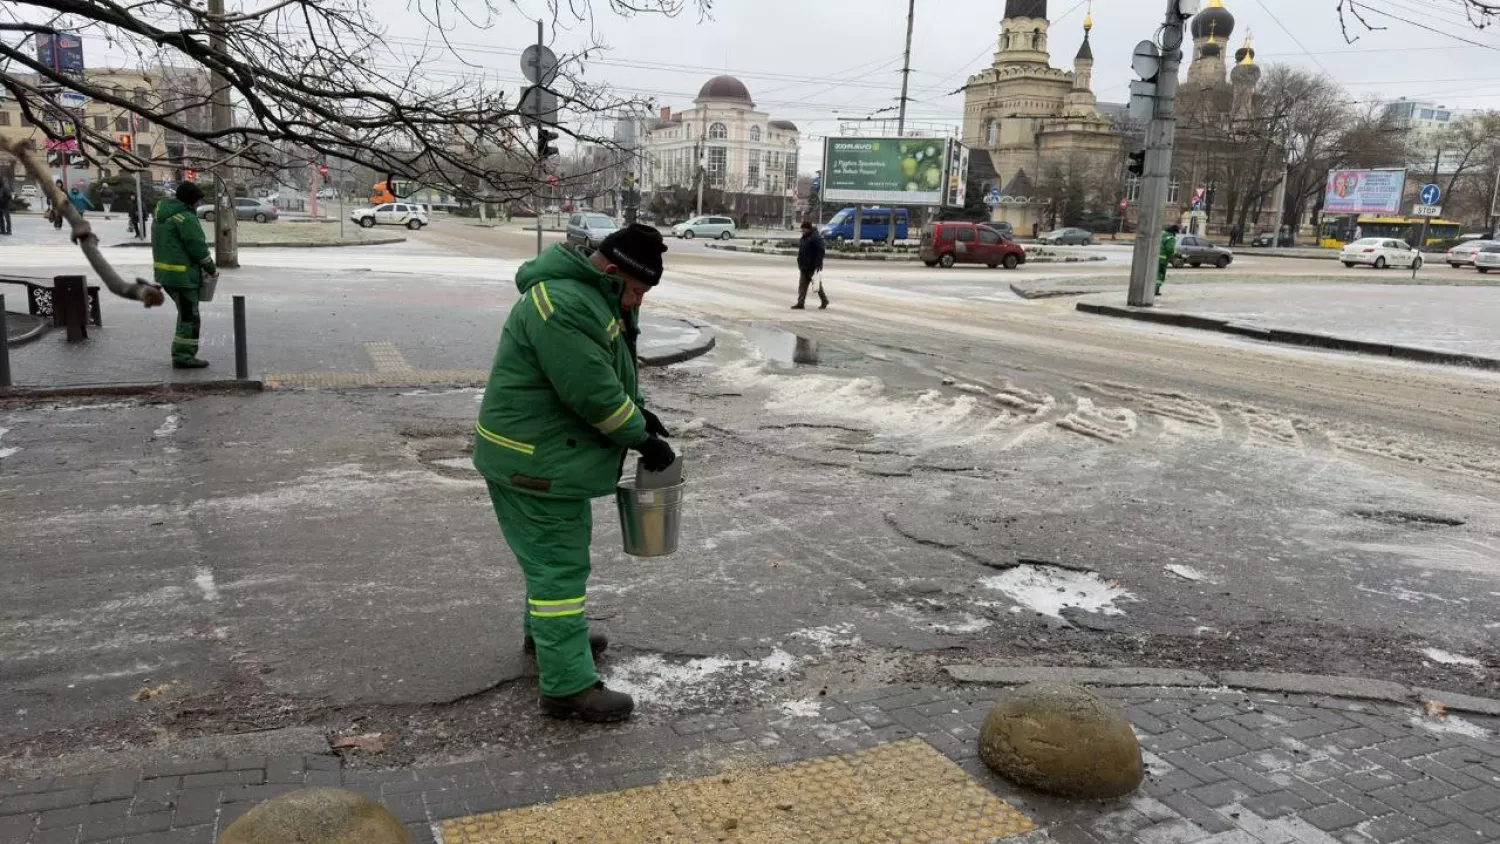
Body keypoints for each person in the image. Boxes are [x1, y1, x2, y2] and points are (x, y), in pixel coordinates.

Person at [473, 224, 675, 723]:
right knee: (559, 568)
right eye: (637, 291)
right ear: (611, 272)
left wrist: (640, 413)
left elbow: (608, 374)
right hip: (535, 463)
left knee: (549, 560)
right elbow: (593, 395)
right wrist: (641, 437)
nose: (637, 303)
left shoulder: (586, 299)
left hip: (541, 456)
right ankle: (567, 686)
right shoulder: (565, 305)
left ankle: (548, 639)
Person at [152, 182, 218, 369]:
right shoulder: (186, 218)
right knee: (189, 317)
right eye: (198, 201)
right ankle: (183, 356)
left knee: (185, 314)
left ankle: (182, 354)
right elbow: (198, 247)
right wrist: (211, 269)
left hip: (166, 275)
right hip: (183, 276)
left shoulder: (162, 216)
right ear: (192, 200)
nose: (198, 204)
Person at [792, 221, 827, 310]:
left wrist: (818, 264)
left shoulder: (815, 237)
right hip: (804, 266)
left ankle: (824, 301)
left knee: (816, 285)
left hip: (812, 266)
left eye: (803, 230)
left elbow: (821, 251)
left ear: (808, 229)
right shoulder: (804, 237)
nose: (802, 231)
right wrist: (799, 261)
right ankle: (800, 303)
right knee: (802, 286)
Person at [1157, 225, 1178, 296]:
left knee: (1154, 274)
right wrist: (1177, 255)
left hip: (1154, 258)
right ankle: (1155, 290)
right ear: (1174, 232)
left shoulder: (1161, 235)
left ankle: (1150, 290)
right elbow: (1170, 250)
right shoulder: (1171, 238)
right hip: (1162, 260)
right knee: (1160, 275)